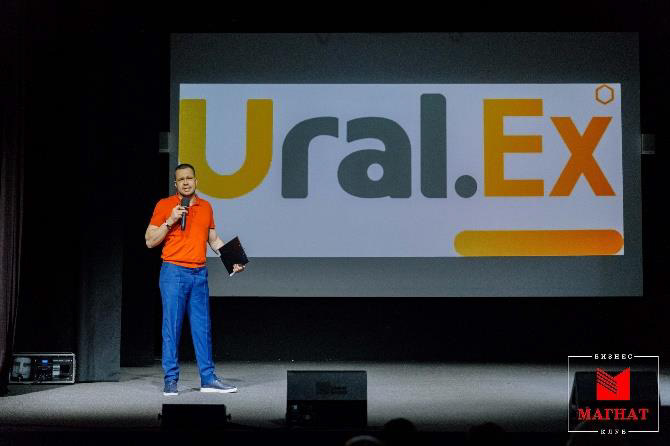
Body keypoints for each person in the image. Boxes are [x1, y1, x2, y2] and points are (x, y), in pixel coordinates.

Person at [145, 163, 245, 396]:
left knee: (202, 328)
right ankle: (171, 380)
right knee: (172, 327)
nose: (186, 182)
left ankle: (208, 379)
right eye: (181, 179)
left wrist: (232, 260)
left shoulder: (206, 206)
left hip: (199, 274)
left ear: (196, 181)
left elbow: (214, 239)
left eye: (189, 178)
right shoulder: (165, 205)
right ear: (175, 184)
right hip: (174, 272)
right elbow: (149, 240)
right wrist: (170, 220)